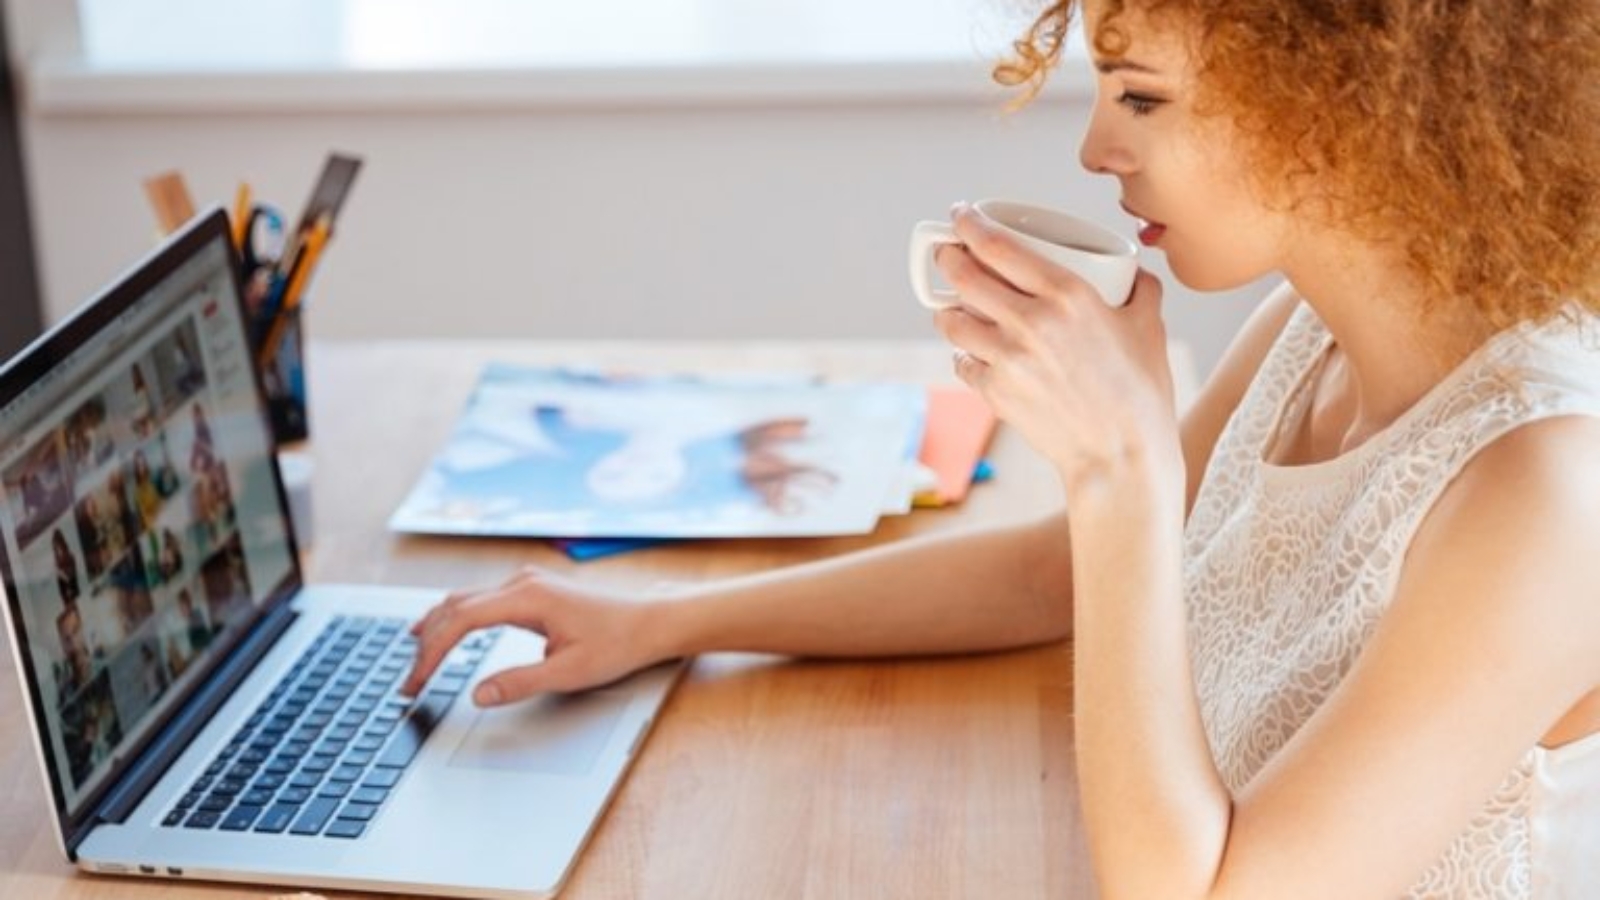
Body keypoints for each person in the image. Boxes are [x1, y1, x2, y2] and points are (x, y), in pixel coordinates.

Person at [404, 2, 1600, 897]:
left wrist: (1116, 470)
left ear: (1343, 110)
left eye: (1139, 97)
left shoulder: (1544, 485)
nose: (1093, 148)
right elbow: (1051, 579)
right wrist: (660, 621)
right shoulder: (1306, 332)